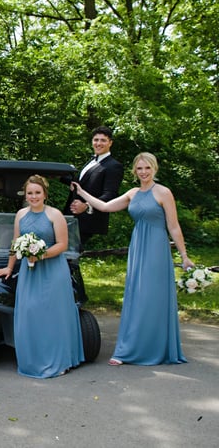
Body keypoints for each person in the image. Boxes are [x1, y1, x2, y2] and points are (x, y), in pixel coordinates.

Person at [74, 152, 193, 366]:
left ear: (154, 169)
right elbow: (105, 207)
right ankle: (129, 349)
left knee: (151, 297)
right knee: (136, 296)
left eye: (147, 168)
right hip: (138, 247)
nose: (144, 172)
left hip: (156, 248)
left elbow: (174, 226)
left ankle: (154, 349)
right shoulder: (133, 193)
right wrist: (82, 192)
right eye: (140, 168)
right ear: (134, 171)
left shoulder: (163, 192)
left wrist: (184, 256)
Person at [0, 175, 84, 378]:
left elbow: (62, 244)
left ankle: (59, 359)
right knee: (30, 312)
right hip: (30, 271)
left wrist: (41, 254)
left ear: (44, 194)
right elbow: (15, 243)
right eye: (30, 193)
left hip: (53, 270)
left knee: (53, 314)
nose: (33, 196)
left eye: (37, 192)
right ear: (25, 195)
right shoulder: (20, 215)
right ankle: (33, 359)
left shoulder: (55, 214)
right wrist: (9, 267)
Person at [64, 126, 123, 246]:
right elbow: (82, 183)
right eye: (96, 140)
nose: (98, 143)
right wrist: (55, 175)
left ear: (110, 143)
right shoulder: (91, 161)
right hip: (71, 216)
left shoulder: (113, 166)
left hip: (88, 219)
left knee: (71, 253)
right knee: (66, 252)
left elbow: (110, 194)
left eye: (103, 140)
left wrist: (86, 206)